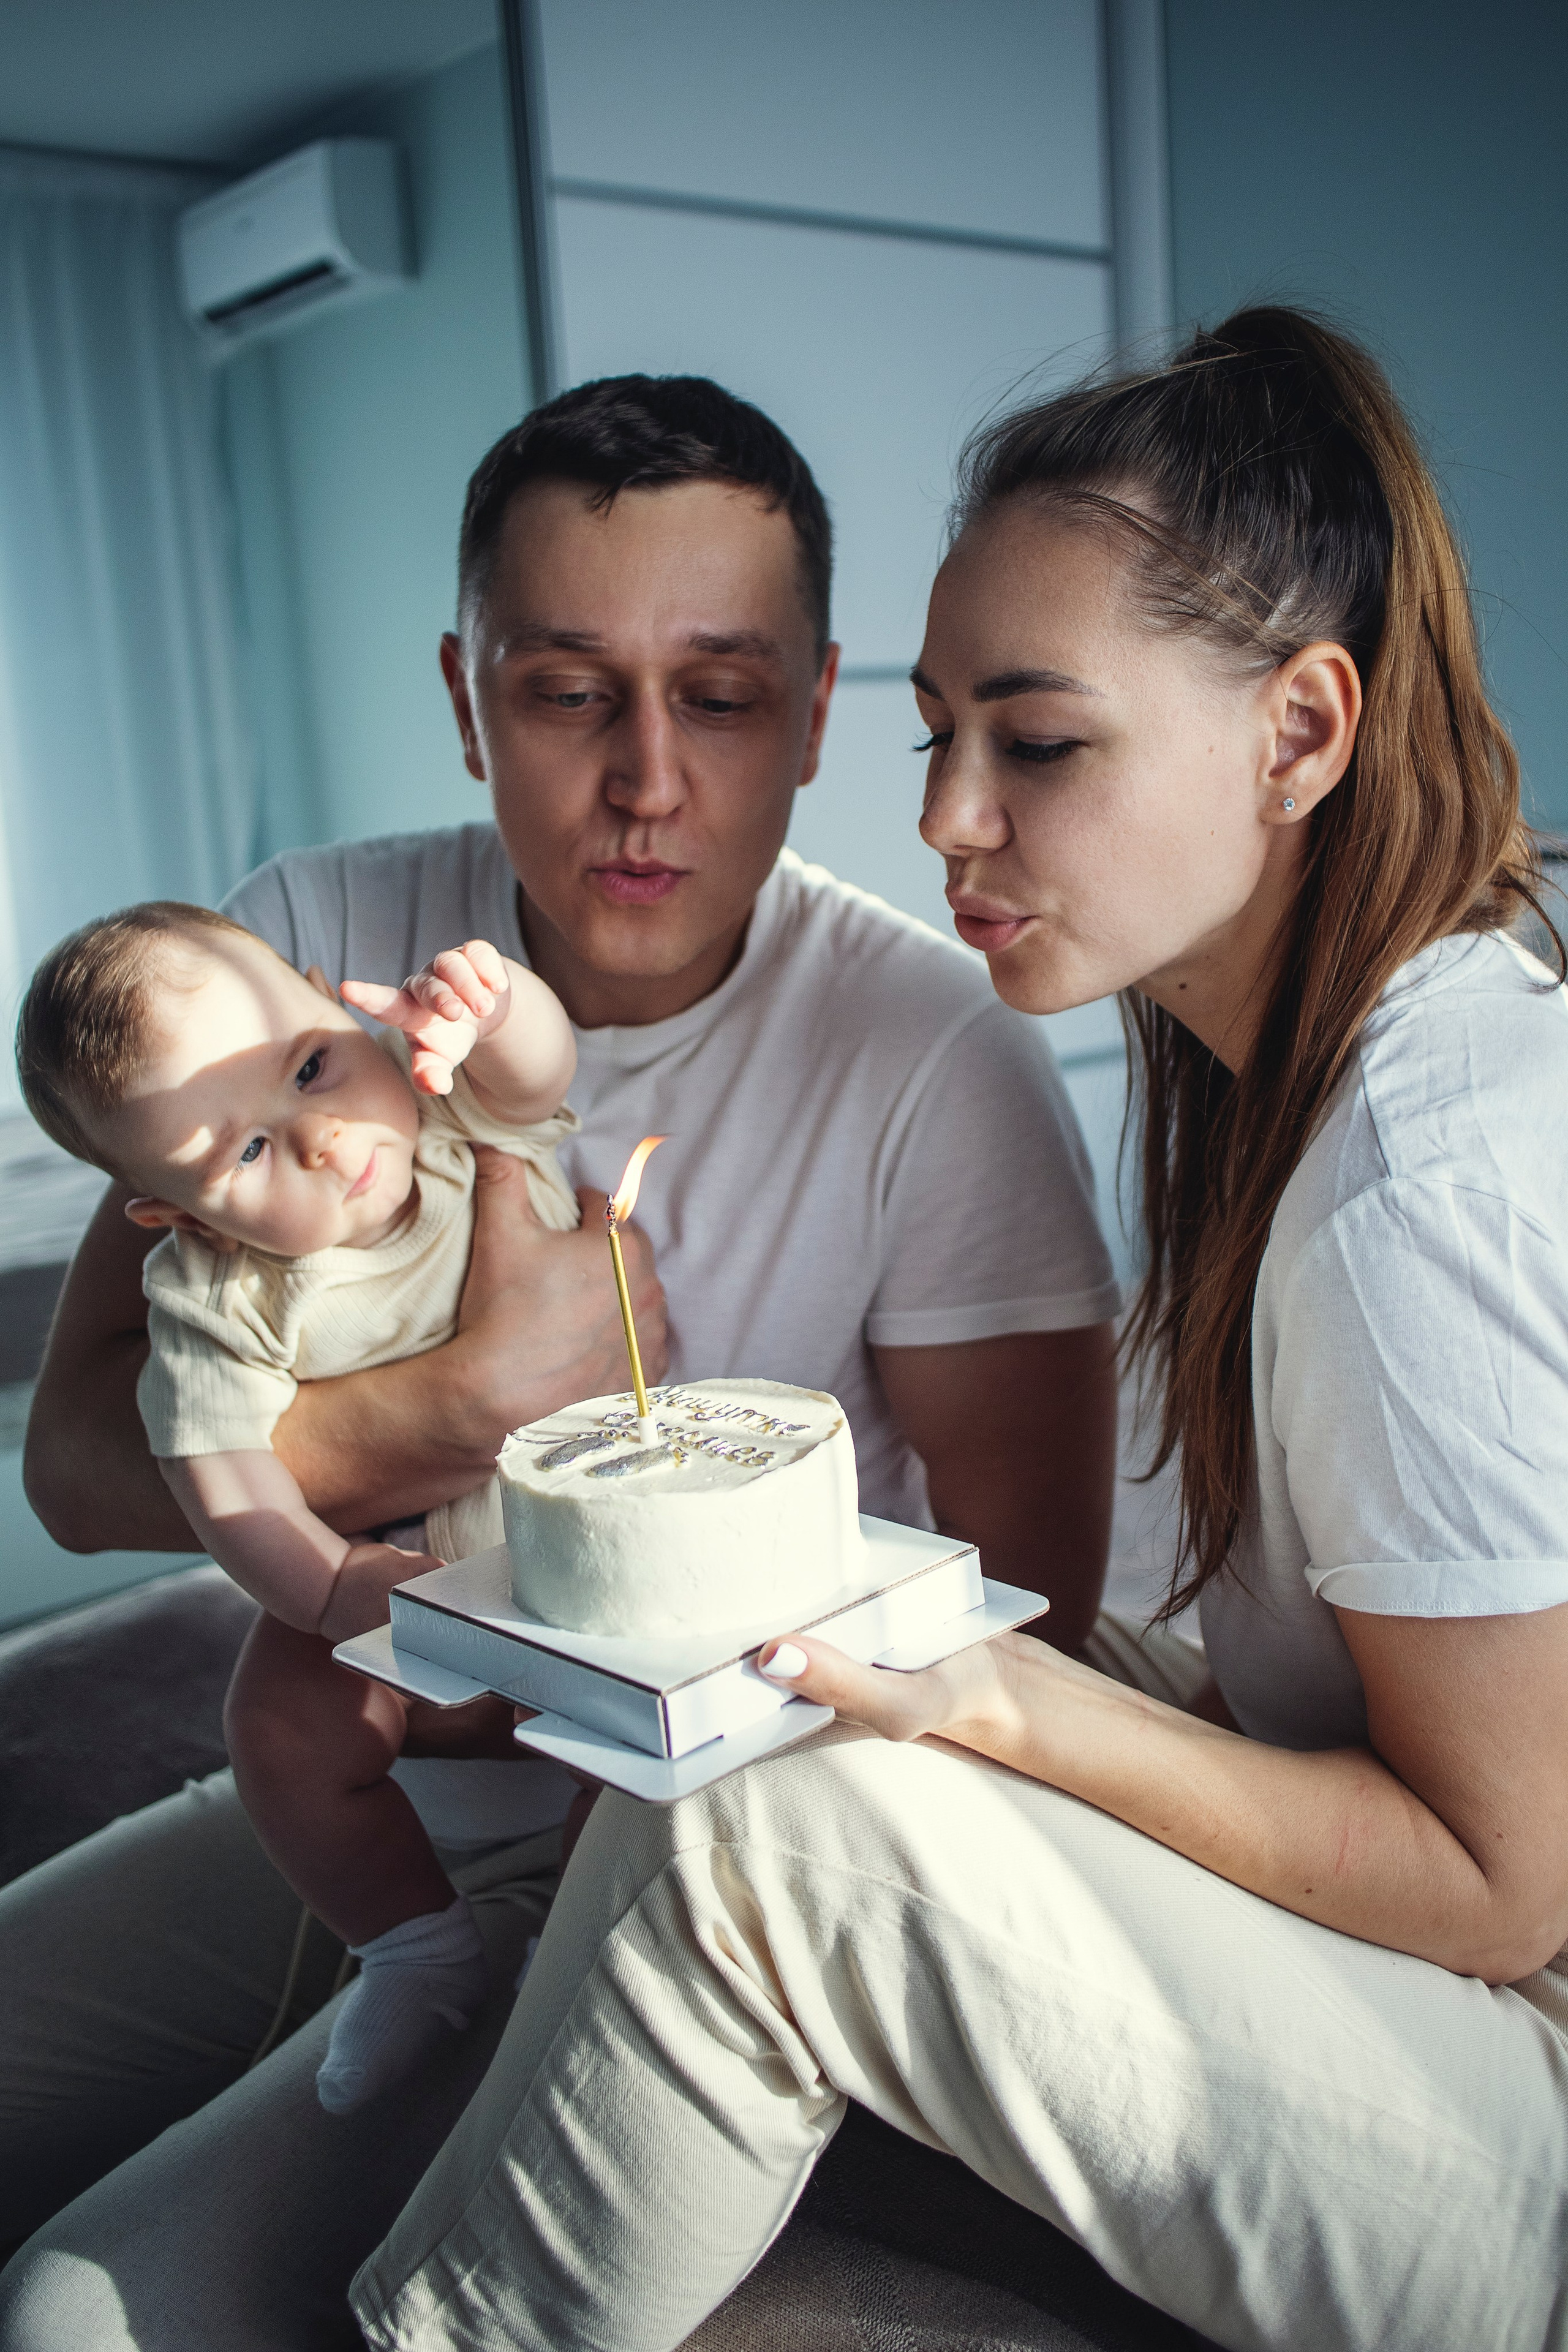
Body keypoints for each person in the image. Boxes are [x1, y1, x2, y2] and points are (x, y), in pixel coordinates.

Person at [328, 310, 1568, 2352]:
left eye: (1041, 743)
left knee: (781, 1823)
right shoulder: (1333, 1058)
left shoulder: (1418, 1174)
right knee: (779, 1708)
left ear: (1305, 727)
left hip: (1522, 2105)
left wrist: (1001, 1706)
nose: (946, 823)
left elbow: (1504, 1889)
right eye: (940, 739)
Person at [0, 376, 1119, 2324]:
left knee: (79, 2307)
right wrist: (452, 1405)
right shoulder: (295, 947)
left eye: (722, 692)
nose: (648, 781)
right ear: (463, 692)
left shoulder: (937, 1060)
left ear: (818, 702)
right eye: (566, 690)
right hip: (325, 1781)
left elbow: (1032, 1628)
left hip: (648, 1845)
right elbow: (84, 1472)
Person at [16, 907, 584, 2115]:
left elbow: (543, 1072)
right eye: (247, 1155)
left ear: (336, 999)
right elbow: (225, 1483)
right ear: (179, 1220)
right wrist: (326, 1590)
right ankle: (413, 1945)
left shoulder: (442, 1113)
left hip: (572, 1534)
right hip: (380, 1561)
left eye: (314, 1066)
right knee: (277, 1731)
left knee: (635, 1738)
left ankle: (594, 1934)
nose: (326, 1139)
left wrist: (493, 1012)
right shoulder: (219, 1295)